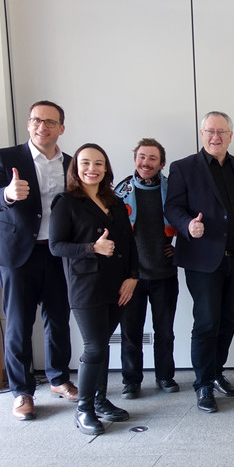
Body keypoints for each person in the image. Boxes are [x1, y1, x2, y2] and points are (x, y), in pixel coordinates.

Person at [0, 100, 77, 420]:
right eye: (36, 120)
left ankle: (59, 378)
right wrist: (7, 194)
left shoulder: (72, 163)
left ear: (61, 128)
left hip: (57, 251)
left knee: (58, 320)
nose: (42, 127)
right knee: (19, 325)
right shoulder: (6, 158)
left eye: (50, 122)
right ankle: (22, 391)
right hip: (17, 253)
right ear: (28, 123)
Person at [164, 111, 234, 413]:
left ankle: (217, 372)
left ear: (230, 135)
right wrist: (187, 225)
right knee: (206, 323)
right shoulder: (183, 168)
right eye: (209, 131)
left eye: (221, 132)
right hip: (203, 260)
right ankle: (203, 384)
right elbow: (172, 207)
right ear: (201, 134)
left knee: (227, 320)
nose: (215, 137)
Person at [49, 144, 138, 435]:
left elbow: (128, 241)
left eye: (99, 163)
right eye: (86, 163)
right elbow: (56, 246)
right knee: (94, 347)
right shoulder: (66, 201)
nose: (92, 168)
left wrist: (133, 276)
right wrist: (92, 248)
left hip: (117, 284)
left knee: (103, 343)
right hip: (86, 286)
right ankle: (84, 409)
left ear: (106, 169)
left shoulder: (112, 200)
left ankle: (100, 400)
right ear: (75, 167)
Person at [114, 138, 180, 398]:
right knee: (131, 333)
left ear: (161, 163)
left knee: (164, 332)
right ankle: (131, 381)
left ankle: (165, 376)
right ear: (135, 160)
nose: (146, 162)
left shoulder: (174, 192)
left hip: (164, 274)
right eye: (142, 157)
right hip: (132, 277)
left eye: (153, 158)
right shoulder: (120, 193)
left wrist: (180, 248)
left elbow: (189, 222)